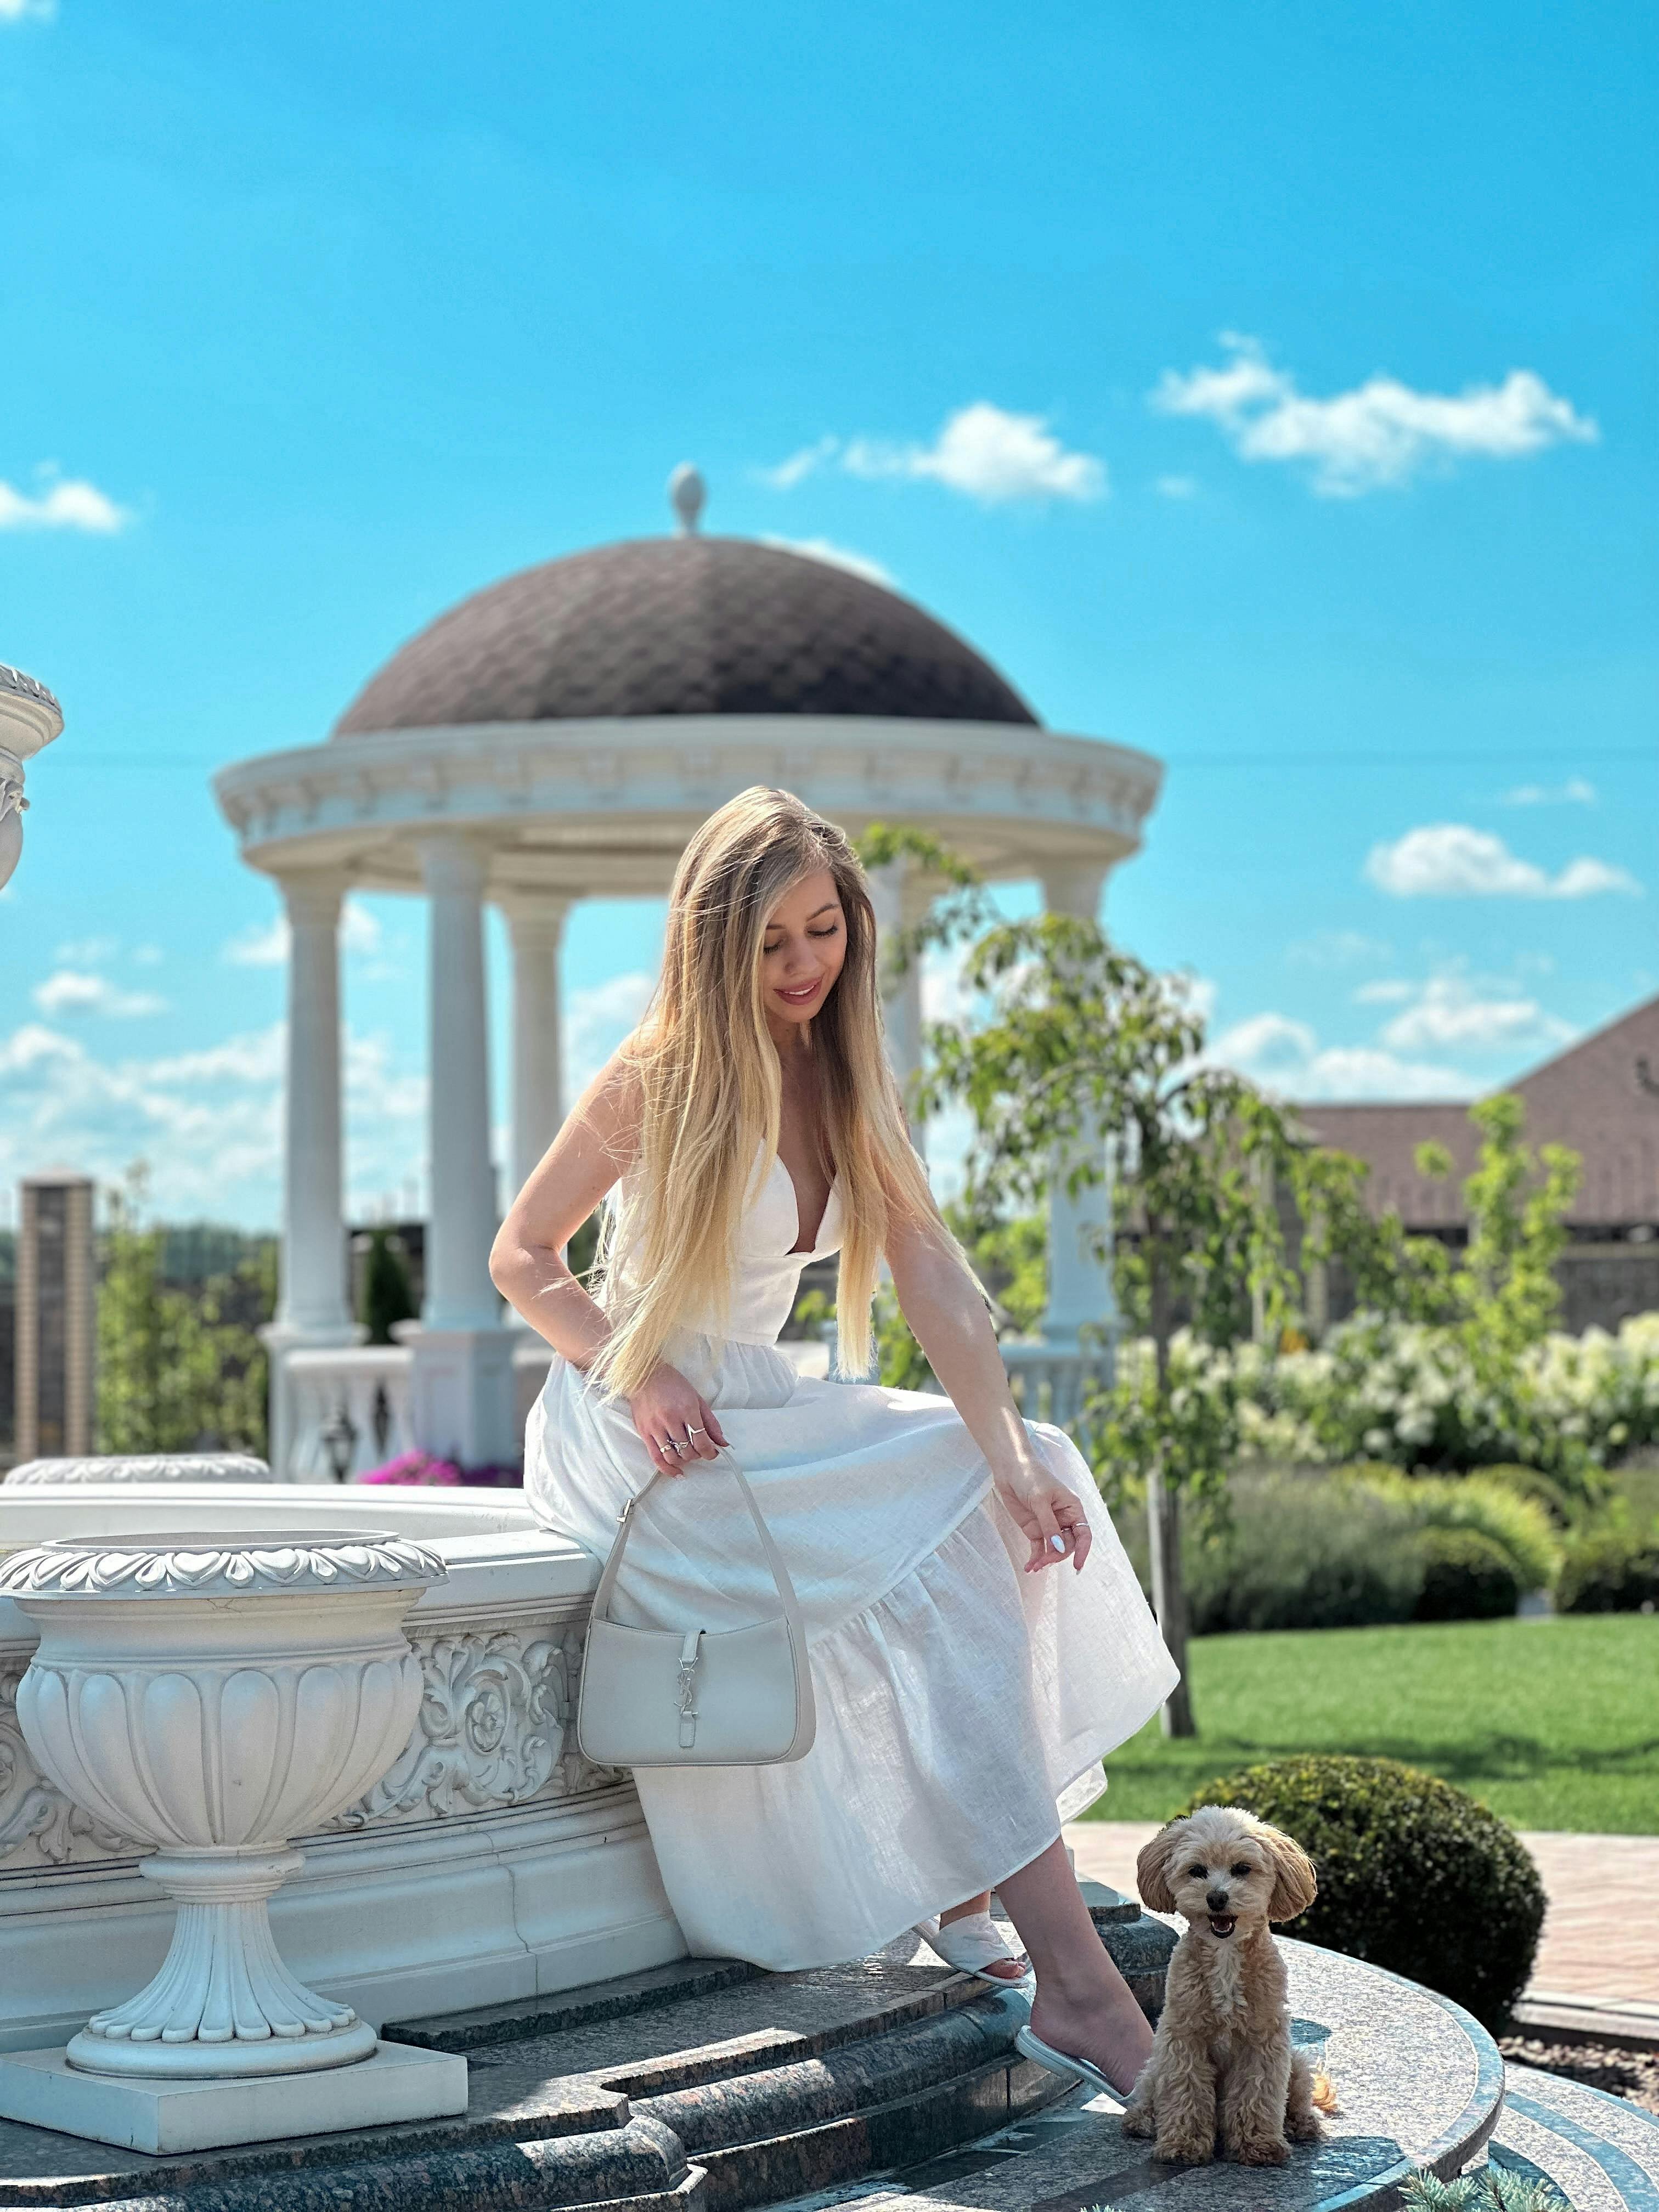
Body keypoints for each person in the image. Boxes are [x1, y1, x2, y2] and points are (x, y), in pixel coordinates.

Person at [492, 785, 1179, 2095]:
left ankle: (977, 1877)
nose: (806, 964)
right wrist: (636, 1379)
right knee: (930, 1535)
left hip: (753, 1398)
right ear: (715, 945)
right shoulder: (663, 1073)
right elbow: (523, 1260)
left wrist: (1010, 1457)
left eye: (824, 929)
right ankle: (1075, 1984)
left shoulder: (843, 1074)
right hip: (642, 1428)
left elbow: (935, 1278)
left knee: (1015, 1482)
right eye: (771, 942)